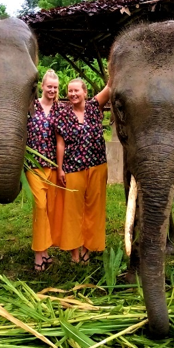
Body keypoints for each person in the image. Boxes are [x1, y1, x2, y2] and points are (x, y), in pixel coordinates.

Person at [56, 78, 111, 264]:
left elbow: (110, 86)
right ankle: (74, 253)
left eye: (76, 91)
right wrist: (60, 168)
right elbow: (60, 143)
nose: (73, 94)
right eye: (70, 91)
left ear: (85, 92)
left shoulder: (95, 106)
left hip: (97, 165)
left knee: (94, 209)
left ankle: (88, 249)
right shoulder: (63, 114)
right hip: (73, 168)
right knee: (72, 211)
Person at [26, 69, 62, 271]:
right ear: (42, 86)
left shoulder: (59, 109)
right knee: (40, 208)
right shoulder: (31, 106)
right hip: (34, 165)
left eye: (55, 87)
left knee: (49, 210)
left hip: (53, 167)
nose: (52, 90)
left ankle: (46, 251)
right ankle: (38, 254)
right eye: (49, 86)